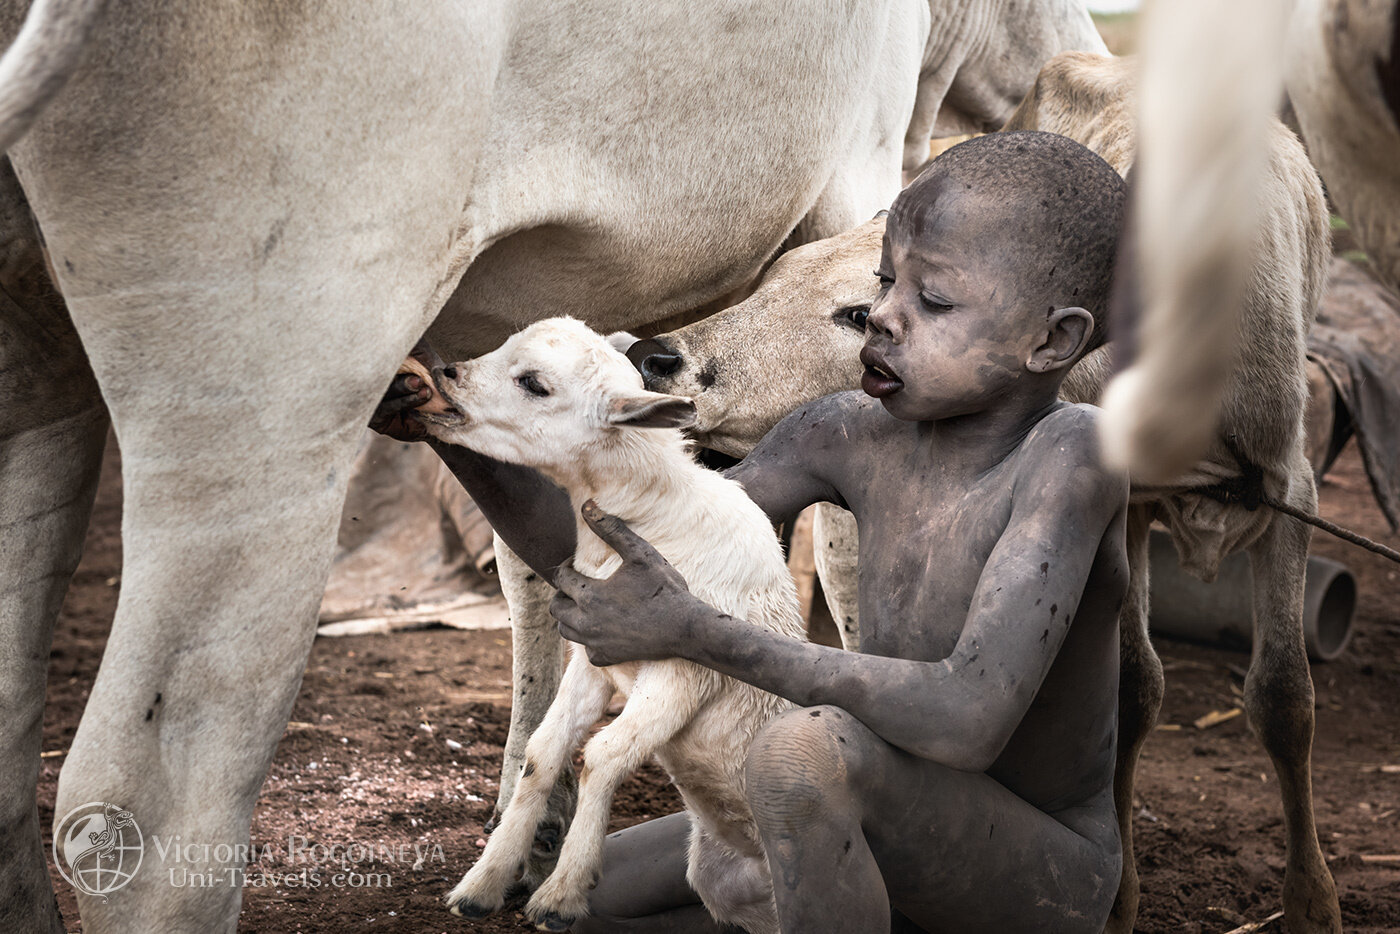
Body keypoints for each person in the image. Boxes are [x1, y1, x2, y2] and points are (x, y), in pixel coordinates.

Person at [374, 131, 1130, 933]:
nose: (882, 314)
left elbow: (966, 719)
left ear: (1053, 340)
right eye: (883, 283)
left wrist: (701, 633)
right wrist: (451, 424)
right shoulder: (844, 432)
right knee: (574, 895)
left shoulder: (1070, 453)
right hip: (869, 800)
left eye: (933, 301)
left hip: (1031, 872)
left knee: (797, 754)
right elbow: (633, 574)